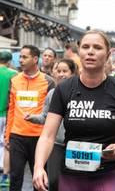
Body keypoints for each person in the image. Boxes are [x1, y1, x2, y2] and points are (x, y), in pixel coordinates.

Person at [32, 30, 115, 191]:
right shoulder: (64, 90)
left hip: (109, 174)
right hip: (71, 176)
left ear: (108, 54)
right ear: (79, 52)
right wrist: (38, 167)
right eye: (86, 47)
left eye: (97, 47)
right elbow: (47, 135)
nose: (91, 51)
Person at [4, 45, 55, 191]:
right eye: (20, 56)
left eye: (24, 57)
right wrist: (7, 136)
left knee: (38, 179)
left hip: (39, 138)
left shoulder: (48, 81)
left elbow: (51, 114)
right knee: (15, 178)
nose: (20, 60)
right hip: (17, 136)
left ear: (35, 59)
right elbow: (11, 109)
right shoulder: (14, 79)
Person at [24, 58, 78, 191]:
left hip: (77, 145)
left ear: (72, 73)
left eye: (65, 71)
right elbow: (45, 117)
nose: (61, 74)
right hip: (56, 145)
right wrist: (33, 118)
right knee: (54, 181)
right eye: (58, 71)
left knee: (74, 182)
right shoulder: (52, 94)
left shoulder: (79, 93)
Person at [0, 51, 17, 187]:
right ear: (9, 61)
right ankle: (2, 167)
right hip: (6, 113)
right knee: (4, 142)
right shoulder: (13, 74)